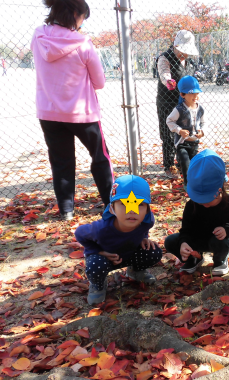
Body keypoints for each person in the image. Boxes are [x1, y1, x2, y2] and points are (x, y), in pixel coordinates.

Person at [31, 0, 113, 221]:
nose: (82, 22)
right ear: (75, 13)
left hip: (49, 112)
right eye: (83, 17)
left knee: (61, 161)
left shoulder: (39, 36)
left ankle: (66, 210)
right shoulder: (83, 43)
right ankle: (111, 203)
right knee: (100, 157)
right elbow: (100, 82)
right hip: (82, 113)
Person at [75, 175, 162, 305]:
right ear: (112, 208)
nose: (132, 211)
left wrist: (144, 237)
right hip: (106, 259)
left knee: (154, 251)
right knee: (95, 265)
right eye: (124, 203)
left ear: (147, 210)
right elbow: (79, 233)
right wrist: (97, 251)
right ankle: (98, 285)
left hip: (130, 254)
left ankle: (135, 271)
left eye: (140, 204)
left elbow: (145, 229)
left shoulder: (147, 222)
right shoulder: (101, 228)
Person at [165, 150, 229, 275]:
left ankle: (220, 261)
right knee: (170, 241)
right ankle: (194, 259)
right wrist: (184, 243)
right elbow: (186, 230)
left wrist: (227, 230)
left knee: (223, 242)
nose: (204, 204)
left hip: (218, 240)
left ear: (221, 189)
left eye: (209, 199)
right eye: (200, 199)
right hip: (196, 239)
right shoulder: (191, 205)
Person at [157, 30, 198, 179]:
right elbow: (164, 72)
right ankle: (169, 165)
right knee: (168, 134)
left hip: (185, 103)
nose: (184, 54)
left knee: (185, 132)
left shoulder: (190, 63)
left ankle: (183, 163)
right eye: (182, 51)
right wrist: (168, 80)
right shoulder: (164, 58)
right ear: (175, 46)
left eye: (186, 52)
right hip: (167, 102)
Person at [166, 76, 205, 190]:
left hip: (194, 143)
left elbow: (203, 122)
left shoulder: (200, 109)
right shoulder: (179, 109)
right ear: (183, 95)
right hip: (182, 143)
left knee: (194, 164)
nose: (195, 96)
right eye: (192, 93)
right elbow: (169, 121)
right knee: (185, 163)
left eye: (197, 93)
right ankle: (188, 184)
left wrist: (202, 132)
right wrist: (179, 130)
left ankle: (195, 182)